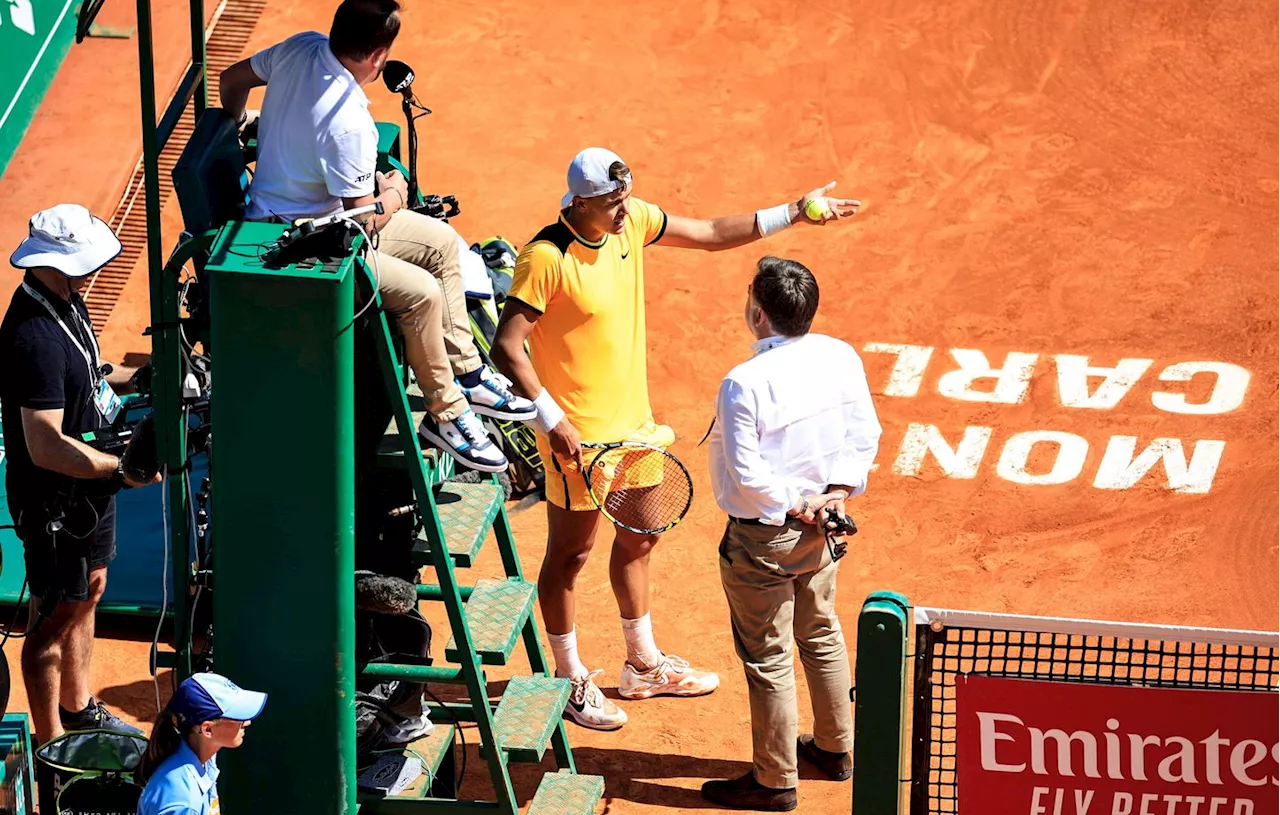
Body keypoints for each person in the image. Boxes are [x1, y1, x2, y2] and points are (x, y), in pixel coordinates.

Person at [491, 147, 862, 730]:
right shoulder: (546, 256)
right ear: (580, 201)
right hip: (577, 438)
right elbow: (508, 345)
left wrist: (793, 211)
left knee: (639, 539)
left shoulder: (633, 220)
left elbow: (712, 232)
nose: (622, 210)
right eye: (611, 203)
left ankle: (642, 664)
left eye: (624, 199)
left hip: (635, 427)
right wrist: (550, 419)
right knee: (571, 553)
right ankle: (569, 677)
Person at [218, 0, 533, 473]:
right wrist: (393, 194)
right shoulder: (349, 123)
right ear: (379, 57)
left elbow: (231, 80)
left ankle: (467, 373)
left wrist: (237, 124)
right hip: (302, 250)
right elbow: (360, 226)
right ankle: (446, 416)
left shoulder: (300, 47)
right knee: (422, 293)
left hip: (296, 217)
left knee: (442, 243)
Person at [700, 257, 881, 811]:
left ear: (757, 312)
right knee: (821, 632)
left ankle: (775, 780)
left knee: (769, 656)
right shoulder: (840, 354)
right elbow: (864, 434)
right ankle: (836, 749)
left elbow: (752, 477)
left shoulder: (744, 382)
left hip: (767, 538)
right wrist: (835, 495)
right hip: (823, 526)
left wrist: (795, 504)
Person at [0, 204, 159, 748]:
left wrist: (146, 376)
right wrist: (123, 469)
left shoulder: (67, 301)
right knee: (53, 616)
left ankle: (80, 704)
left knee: (91, 589)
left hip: (89, 484)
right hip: (54, 499)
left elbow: (91, 375)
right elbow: (44, 445)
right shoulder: (34, 339)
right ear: (51, 264)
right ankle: (51, 744)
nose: (93, 271)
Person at [136, 672, 268, 815]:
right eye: (239, 718)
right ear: (207, 729)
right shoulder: (183, 802)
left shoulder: (203, 755)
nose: (247, 723)